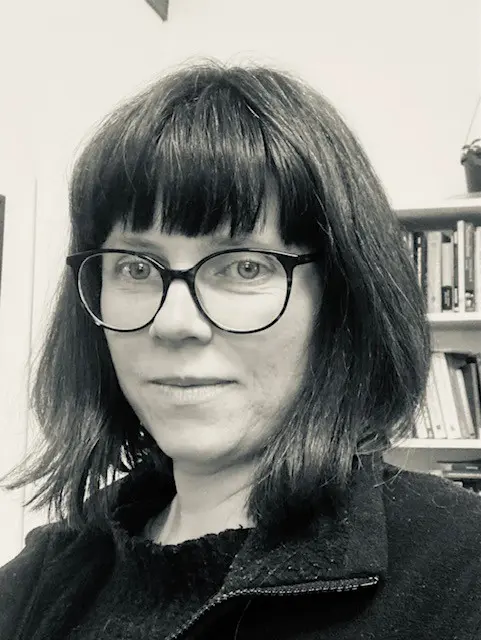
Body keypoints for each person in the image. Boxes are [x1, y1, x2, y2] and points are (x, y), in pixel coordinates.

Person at [1, 60, 480, 640]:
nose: (174, 323)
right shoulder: (50, 571)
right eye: (135, 267)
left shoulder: (461, 573)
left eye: (244, 266)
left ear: (340, 300)